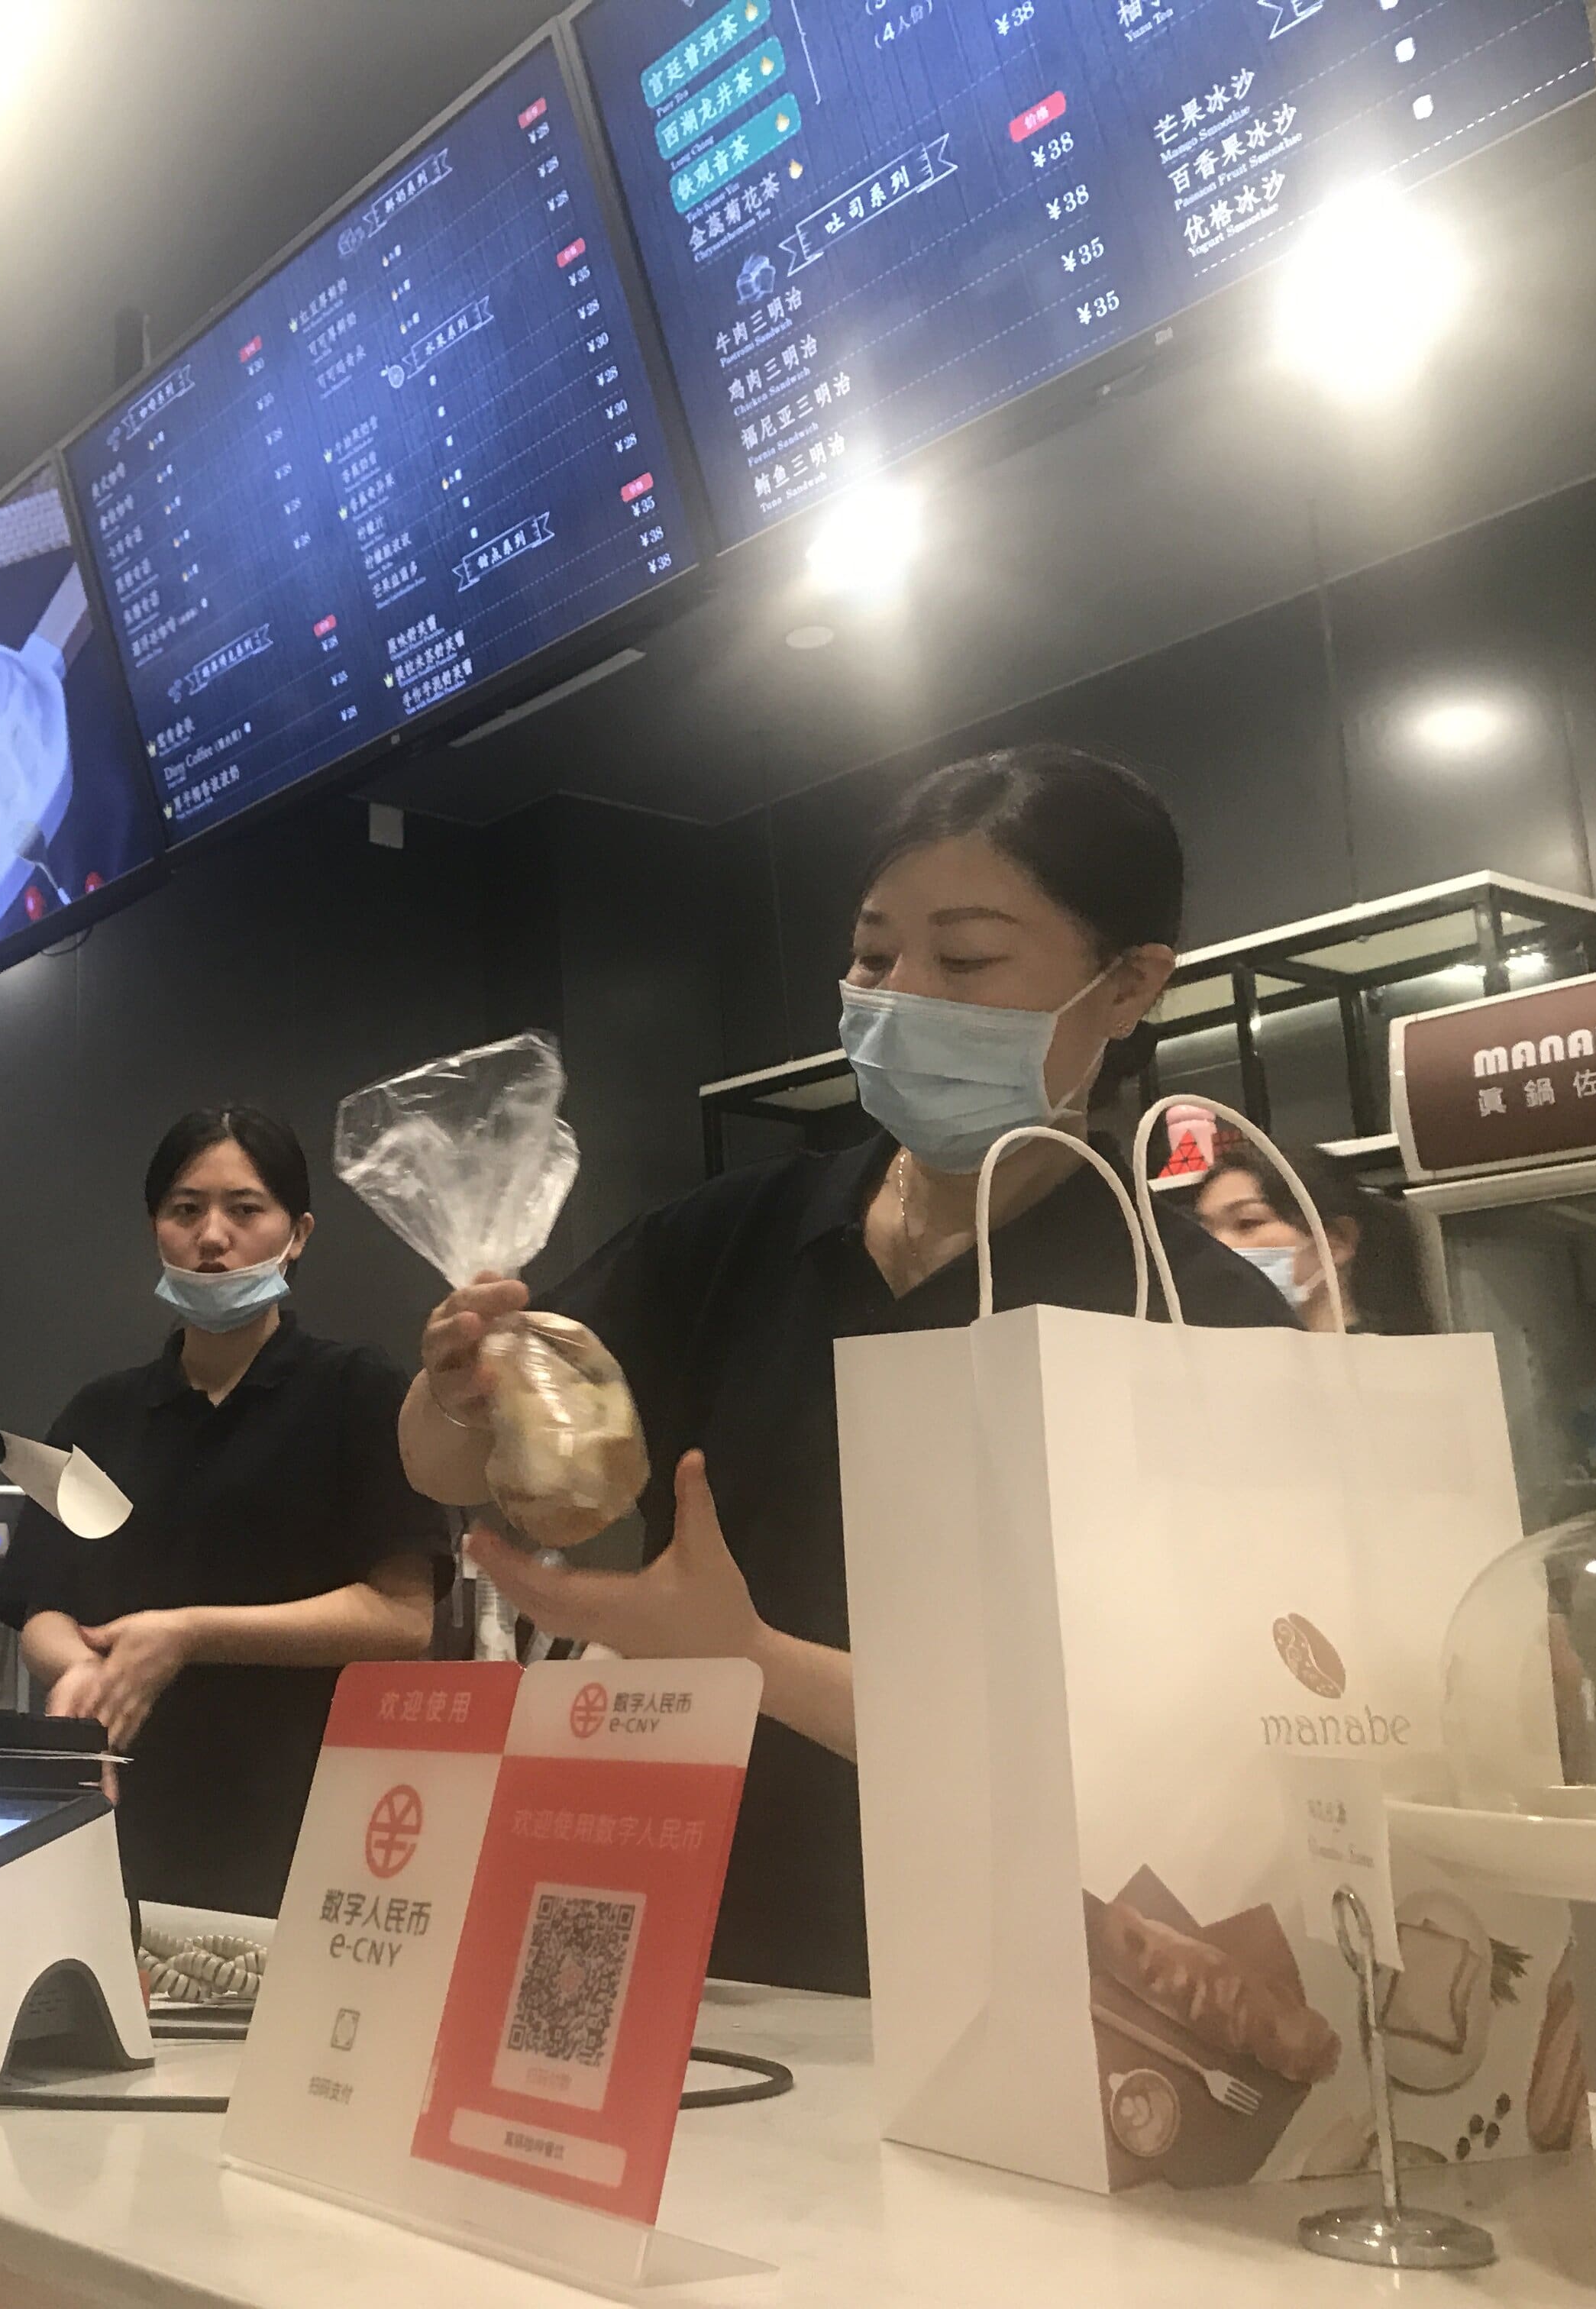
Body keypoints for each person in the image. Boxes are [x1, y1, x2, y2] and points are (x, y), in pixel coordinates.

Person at [396, 745, 1293, 1994]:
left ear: (1129, 983)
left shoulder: (1190, 1311)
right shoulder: (735, 1235)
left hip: (1034, 1966)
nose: (901, 996)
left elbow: (1171, 1733)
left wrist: (743, 1654)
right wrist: (455, 1386)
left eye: (965, 960)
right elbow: (452, 1469)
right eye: (873, 957)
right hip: (709, 1929)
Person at [0, 1106, 444, 1916]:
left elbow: (403, 1617)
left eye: (245, 1209)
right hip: (122, 1823)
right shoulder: (99, 1414)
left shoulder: (357, 1392)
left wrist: (189, 1634)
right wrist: (83, 1673)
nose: (212, 1236)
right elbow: (42, 1607)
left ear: (297, 1233)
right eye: (185, 1210)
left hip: (310, 1827)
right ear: (155, 1229)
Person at [1193, 1135, 1435, 1333]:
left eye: (1247, 1223)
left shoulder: (1395, 1364)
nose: (1217, 1246)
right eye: (1205, 1232)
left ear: (1337, 1240)